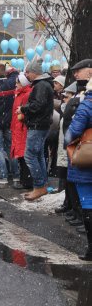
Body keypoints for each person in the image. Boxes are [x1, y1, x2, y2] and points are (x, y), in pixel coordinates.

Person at [17, 59, 54, 201]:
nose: (26, 75)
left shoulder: (41, 85)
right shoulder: (44, 84)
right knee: (38, 155)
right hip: (41, 125)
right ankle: (42, 185)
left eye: (27, 72)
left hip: (38, 125)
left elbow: (37, 105)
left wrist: (23, 109)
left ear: (34, 72)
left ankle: (39, 186)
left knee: (30, 156)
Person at [64, 79, 92, 261]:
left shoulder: (87, 106)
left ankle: (91, 249)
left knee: (88, 202)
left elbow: (72, 132)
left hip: (87, 158)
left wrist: (69, 140)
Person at [10, 73, 33, 190]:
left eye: (17, 82)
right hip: (18, 128)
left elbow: (25, 111)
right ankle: (24, 180)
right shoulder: (19, 94)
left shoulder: (26, 94)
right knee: (20, 155)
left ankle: (27, 181)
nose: (15, 84)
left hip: (22, 128)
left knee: (24, 155)